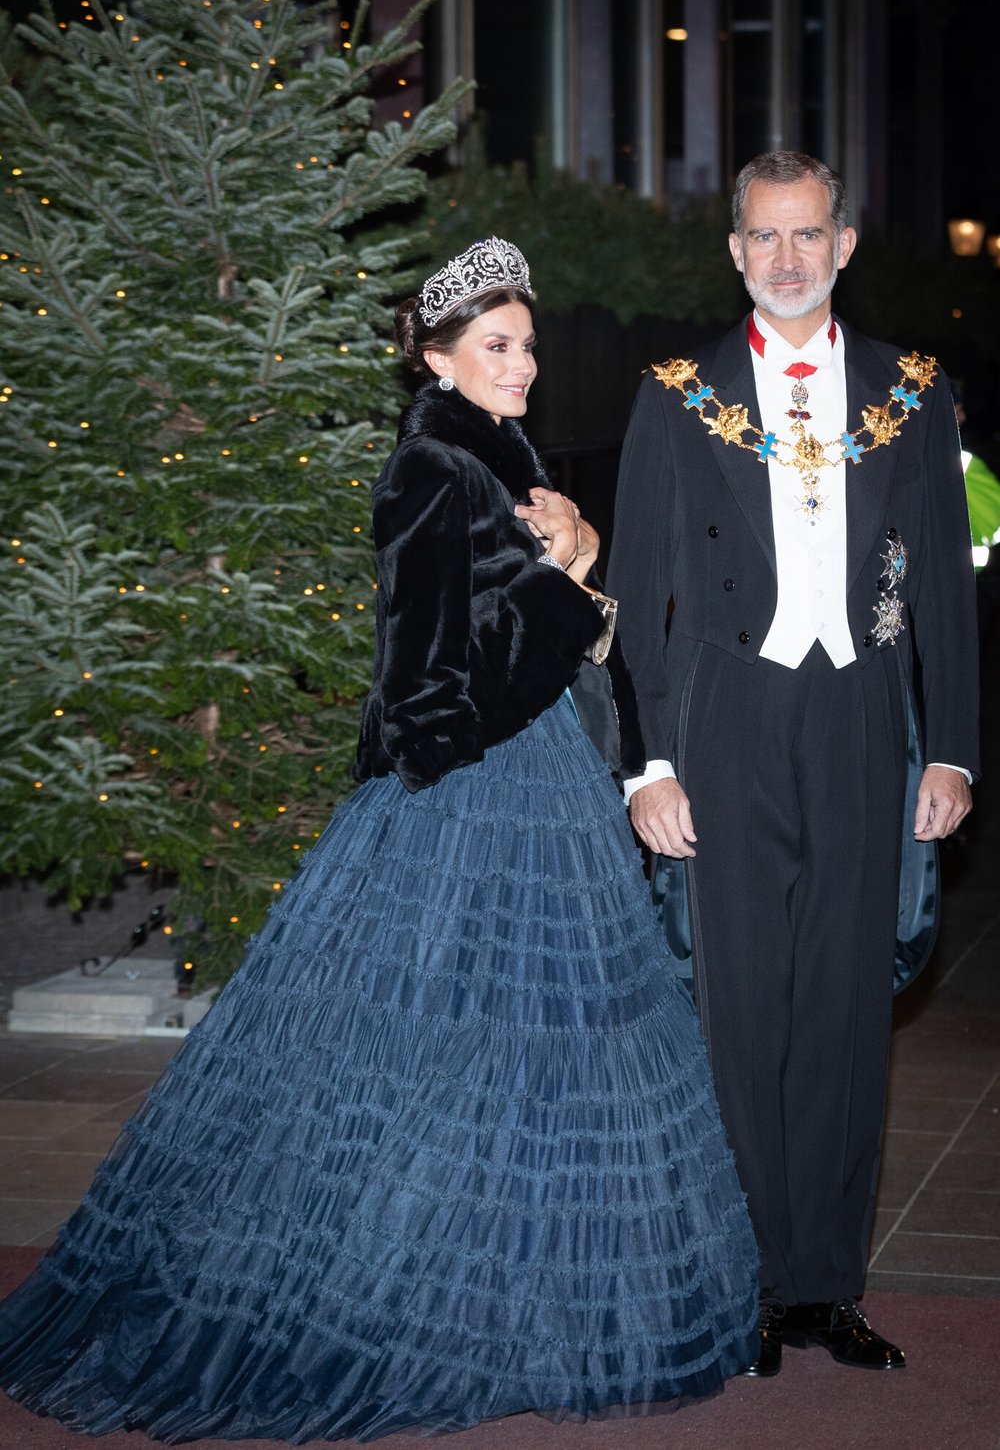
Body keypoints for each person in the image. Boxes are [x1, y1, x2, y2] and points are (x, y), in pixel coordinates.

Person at [0, 238, 759, 1441]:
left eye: (527, 345)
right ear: (436, 358)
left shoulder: (499, 456)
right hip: (467, 804)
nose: (522, 365)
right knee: (434, 1063)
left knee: (531, 1061)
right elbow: (424, 709)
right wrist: (568, 579)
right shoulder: (431, 469)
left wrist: (570, 571)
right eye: (496, 346)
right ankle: (410, 1300)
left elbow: (524, 632)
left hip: (542, 786)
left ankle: (519, 1304)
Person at [607, 154, 979, 1378]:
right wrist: (648, 764)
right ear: (734, 251)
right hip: (723, 712)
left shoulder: (912, 390)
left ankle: (826, 1286)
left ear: (843, 245)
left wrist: (952, 748)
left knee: (844, 1005)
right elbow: (638, 594)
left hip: (864, 713)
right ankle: (750, 1283)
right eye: (763, 238)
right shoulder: (675, 394)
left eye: (805, 235)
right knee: (741, 1006)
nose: (785, 258)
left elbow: (944, 588)